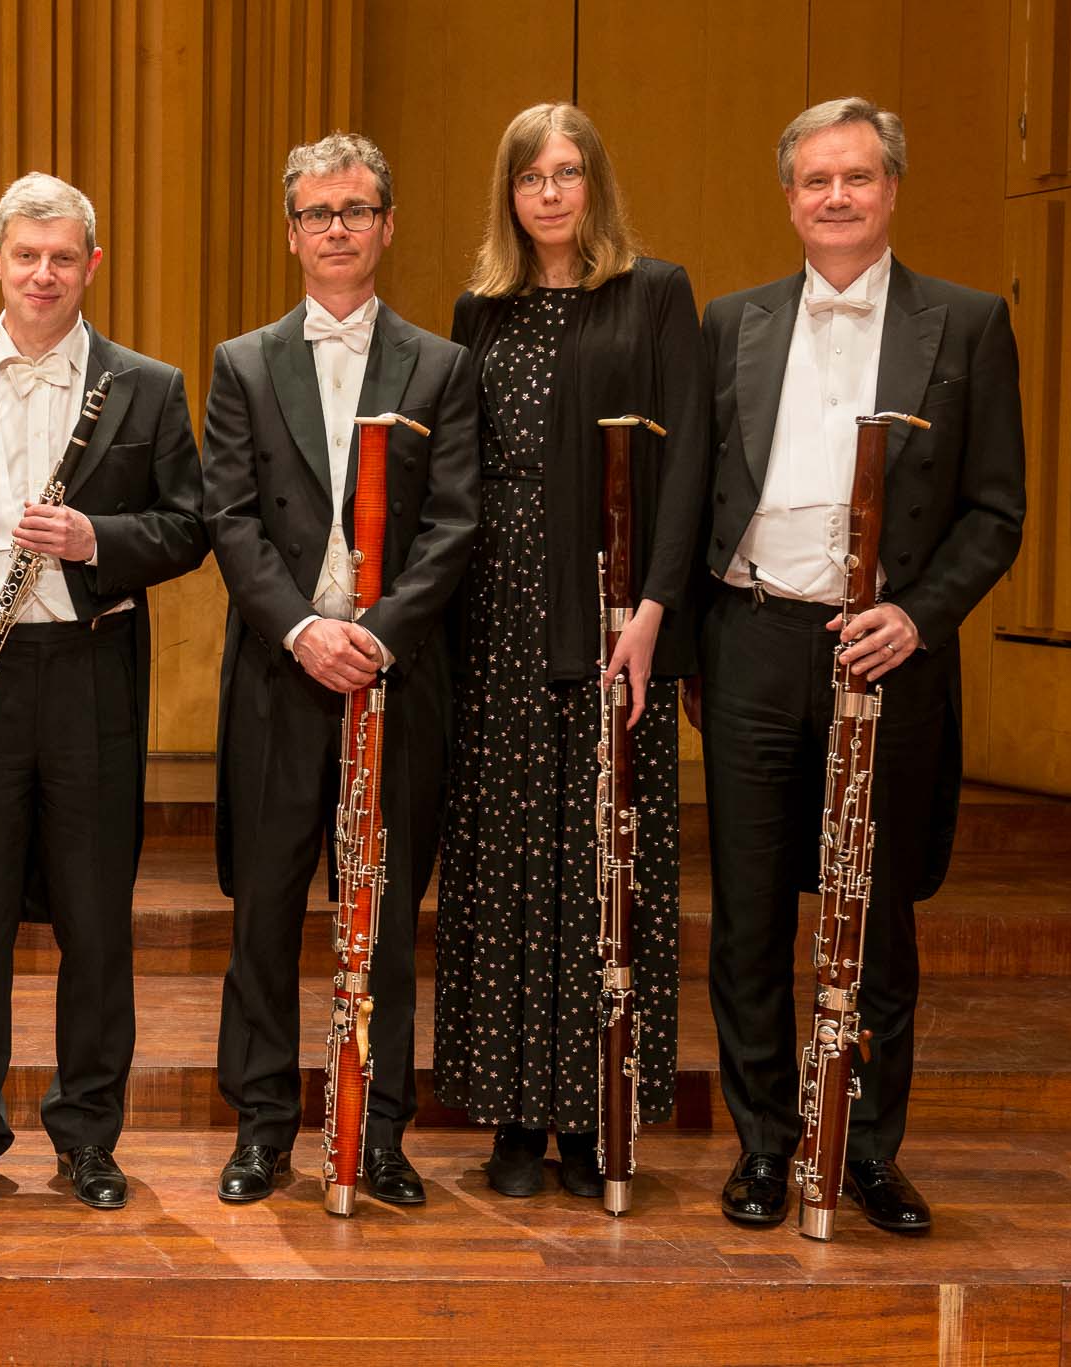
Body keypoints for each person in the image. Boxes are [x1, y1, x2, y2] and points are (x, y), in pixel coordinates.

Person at [694, 97, 1025, 1233]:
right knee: (745, 914)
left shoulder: (968, 323)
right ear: (786, 196)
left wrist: (918, 615)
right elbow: (694, 498)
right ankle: (762, 1145)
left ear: (890, 189)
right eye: (814, 180)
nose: (834, 197)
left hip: (888, 652)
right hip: (751, 640)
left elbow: (993, 511)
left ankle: (866, 1146)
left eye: (857, 177)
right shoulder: (726, 322)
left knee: (874, 914)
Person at [0, 172, 207, 1212]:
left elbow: (188, 525)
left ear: (90, 266)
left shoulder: (147, 385)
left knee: (94, 921)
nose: (41, 273)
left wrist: (93, 540)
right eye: (24, 254)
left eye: (61, 257)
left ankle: (87, 1134)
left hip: (87, 672)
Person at [432, 103, 706, 1199]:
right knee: (501, 870)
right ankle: (507, 1116)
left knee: (604, 867)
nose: (548, 193)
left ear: (595, 185)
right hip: (494, 620)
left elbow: (686, 464)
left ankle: (594, 1113)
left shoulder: (654, 294)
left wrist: (654, 611)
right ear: (507, 194)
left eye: (567, 173)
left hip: (609, 624)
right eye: (528, 177)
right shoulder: (478, 310)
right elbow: (456, 472)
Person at [202, 132, 479, 1206]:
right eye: (317, 213)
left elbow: (456, 520)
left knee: (387, 907)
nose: (335, 229)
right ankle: (263, 1124)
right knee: (265, 905)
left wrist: (377, 634)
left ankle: (381, 1130)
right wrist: (302, 631)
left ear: (386, 226)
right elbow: (228, 515)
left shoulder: (440, 365)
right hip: (280, 674)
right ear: (290, 232)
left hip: (395, 677)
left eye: (355, 210)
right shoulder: (239, 362)